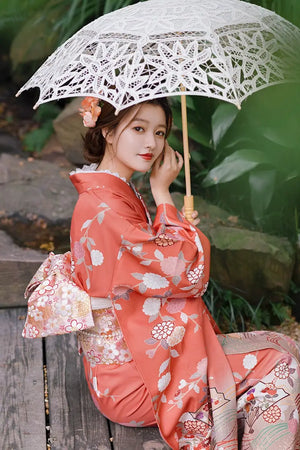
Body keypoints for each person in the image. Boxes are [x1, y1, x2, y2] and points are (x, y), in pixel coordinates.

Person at [23, 96, 300, 449]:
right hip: (138, 382)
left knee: (284, 343)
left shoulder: (106, 191)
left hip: (130, 366)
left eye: (159, 132)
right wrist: (163, 195)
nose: (151, 143)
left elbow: (149, 260)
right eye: (138, 129)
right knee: (280, 364)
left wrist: (173, 225)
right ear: (107, 131)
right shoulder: (105, 205)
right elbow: (186, 274)